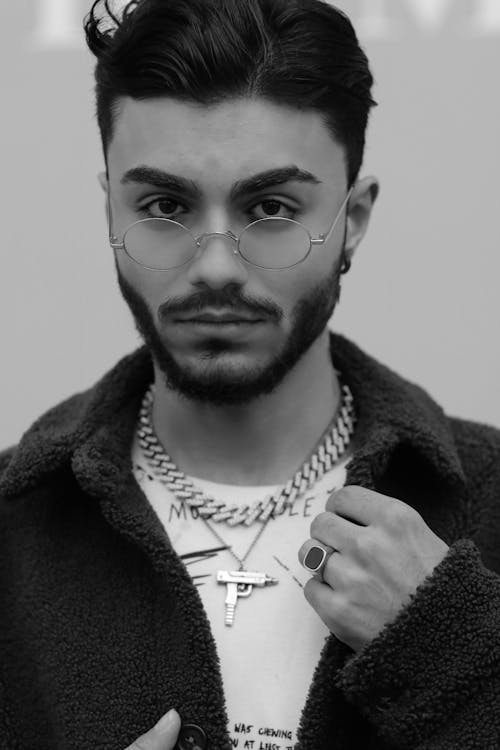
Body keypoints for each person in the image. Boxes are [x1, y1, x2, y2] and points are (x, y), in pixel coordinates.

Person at [1, 0, 499, 748]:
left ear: (353, 220)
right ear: (110, 211)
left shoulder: (489, 503)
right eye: (164, 205)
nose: (214, 267)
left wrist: (449, 645)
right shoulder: (14, 528)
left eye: (270, 207)